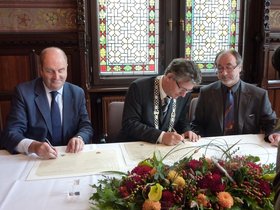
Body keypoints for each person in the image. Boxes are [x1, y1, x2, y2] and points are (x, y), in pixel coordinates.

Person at [0, 47, 93, 159]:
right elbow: (11, 133)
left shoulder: (77, 93)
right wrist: (33, 146)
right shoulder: (23, 93)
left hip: (70, 156)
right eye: (50, 71)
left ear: (67, 68)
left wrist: (79, 138)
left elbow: (85, 126)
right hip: (36, 158)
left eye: (61, 70)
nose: (56, 77)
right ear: (41, 70)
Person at [191, 49, 278, 143]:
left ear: (239, 67)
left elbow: (271, 123)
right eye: (220, 68)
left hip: (246, 147)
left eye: (229, 67)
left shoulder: (258, 95)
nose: (224, 73)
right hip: (214, 145)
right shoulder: (206, 92)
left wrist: (273, 134)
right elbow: (197, 124)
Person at [118, 58, 202, 145]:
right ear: (169, 77)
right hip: (136, 144)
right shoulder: (139, 88)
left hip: (165, 148)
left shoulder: (184, 94)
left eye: (188, 90)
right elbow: (130, 124)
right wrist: (161, 136)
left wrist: (187, 130)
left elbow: (182, 119)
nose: (184, 94)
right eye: (182, 89)